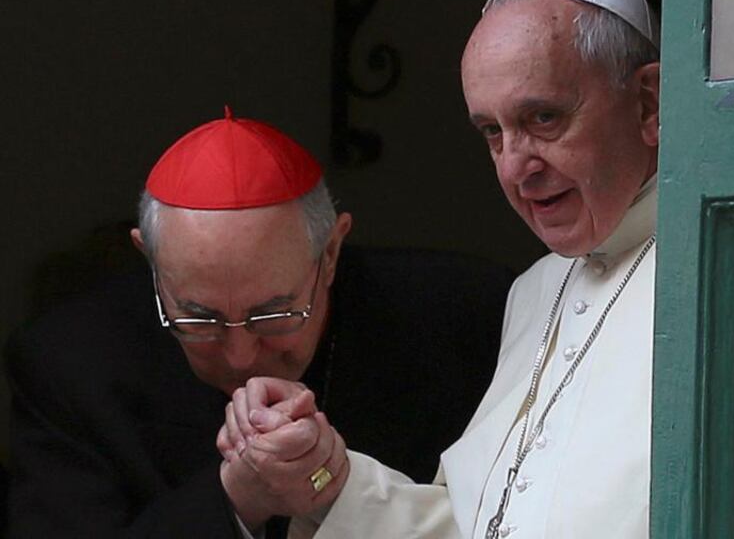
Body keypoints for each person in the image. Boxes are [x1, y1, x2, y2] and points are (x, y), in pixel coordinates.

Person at [229, 0, 662, 537]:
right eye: (491, 131)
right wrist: (326, 477)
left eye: (543, 117)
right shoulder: (534, 292)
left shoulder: (723, 273)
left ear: (648, 104)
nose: (515, 167)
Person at [5, 109, 515, 537]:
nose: (240, 356)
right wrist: (237, 498)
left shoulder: (464, 315)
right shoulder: (69, 362)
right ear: (152, 262)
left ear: (331, 252)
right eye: (199, 319)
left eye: (274, 314)